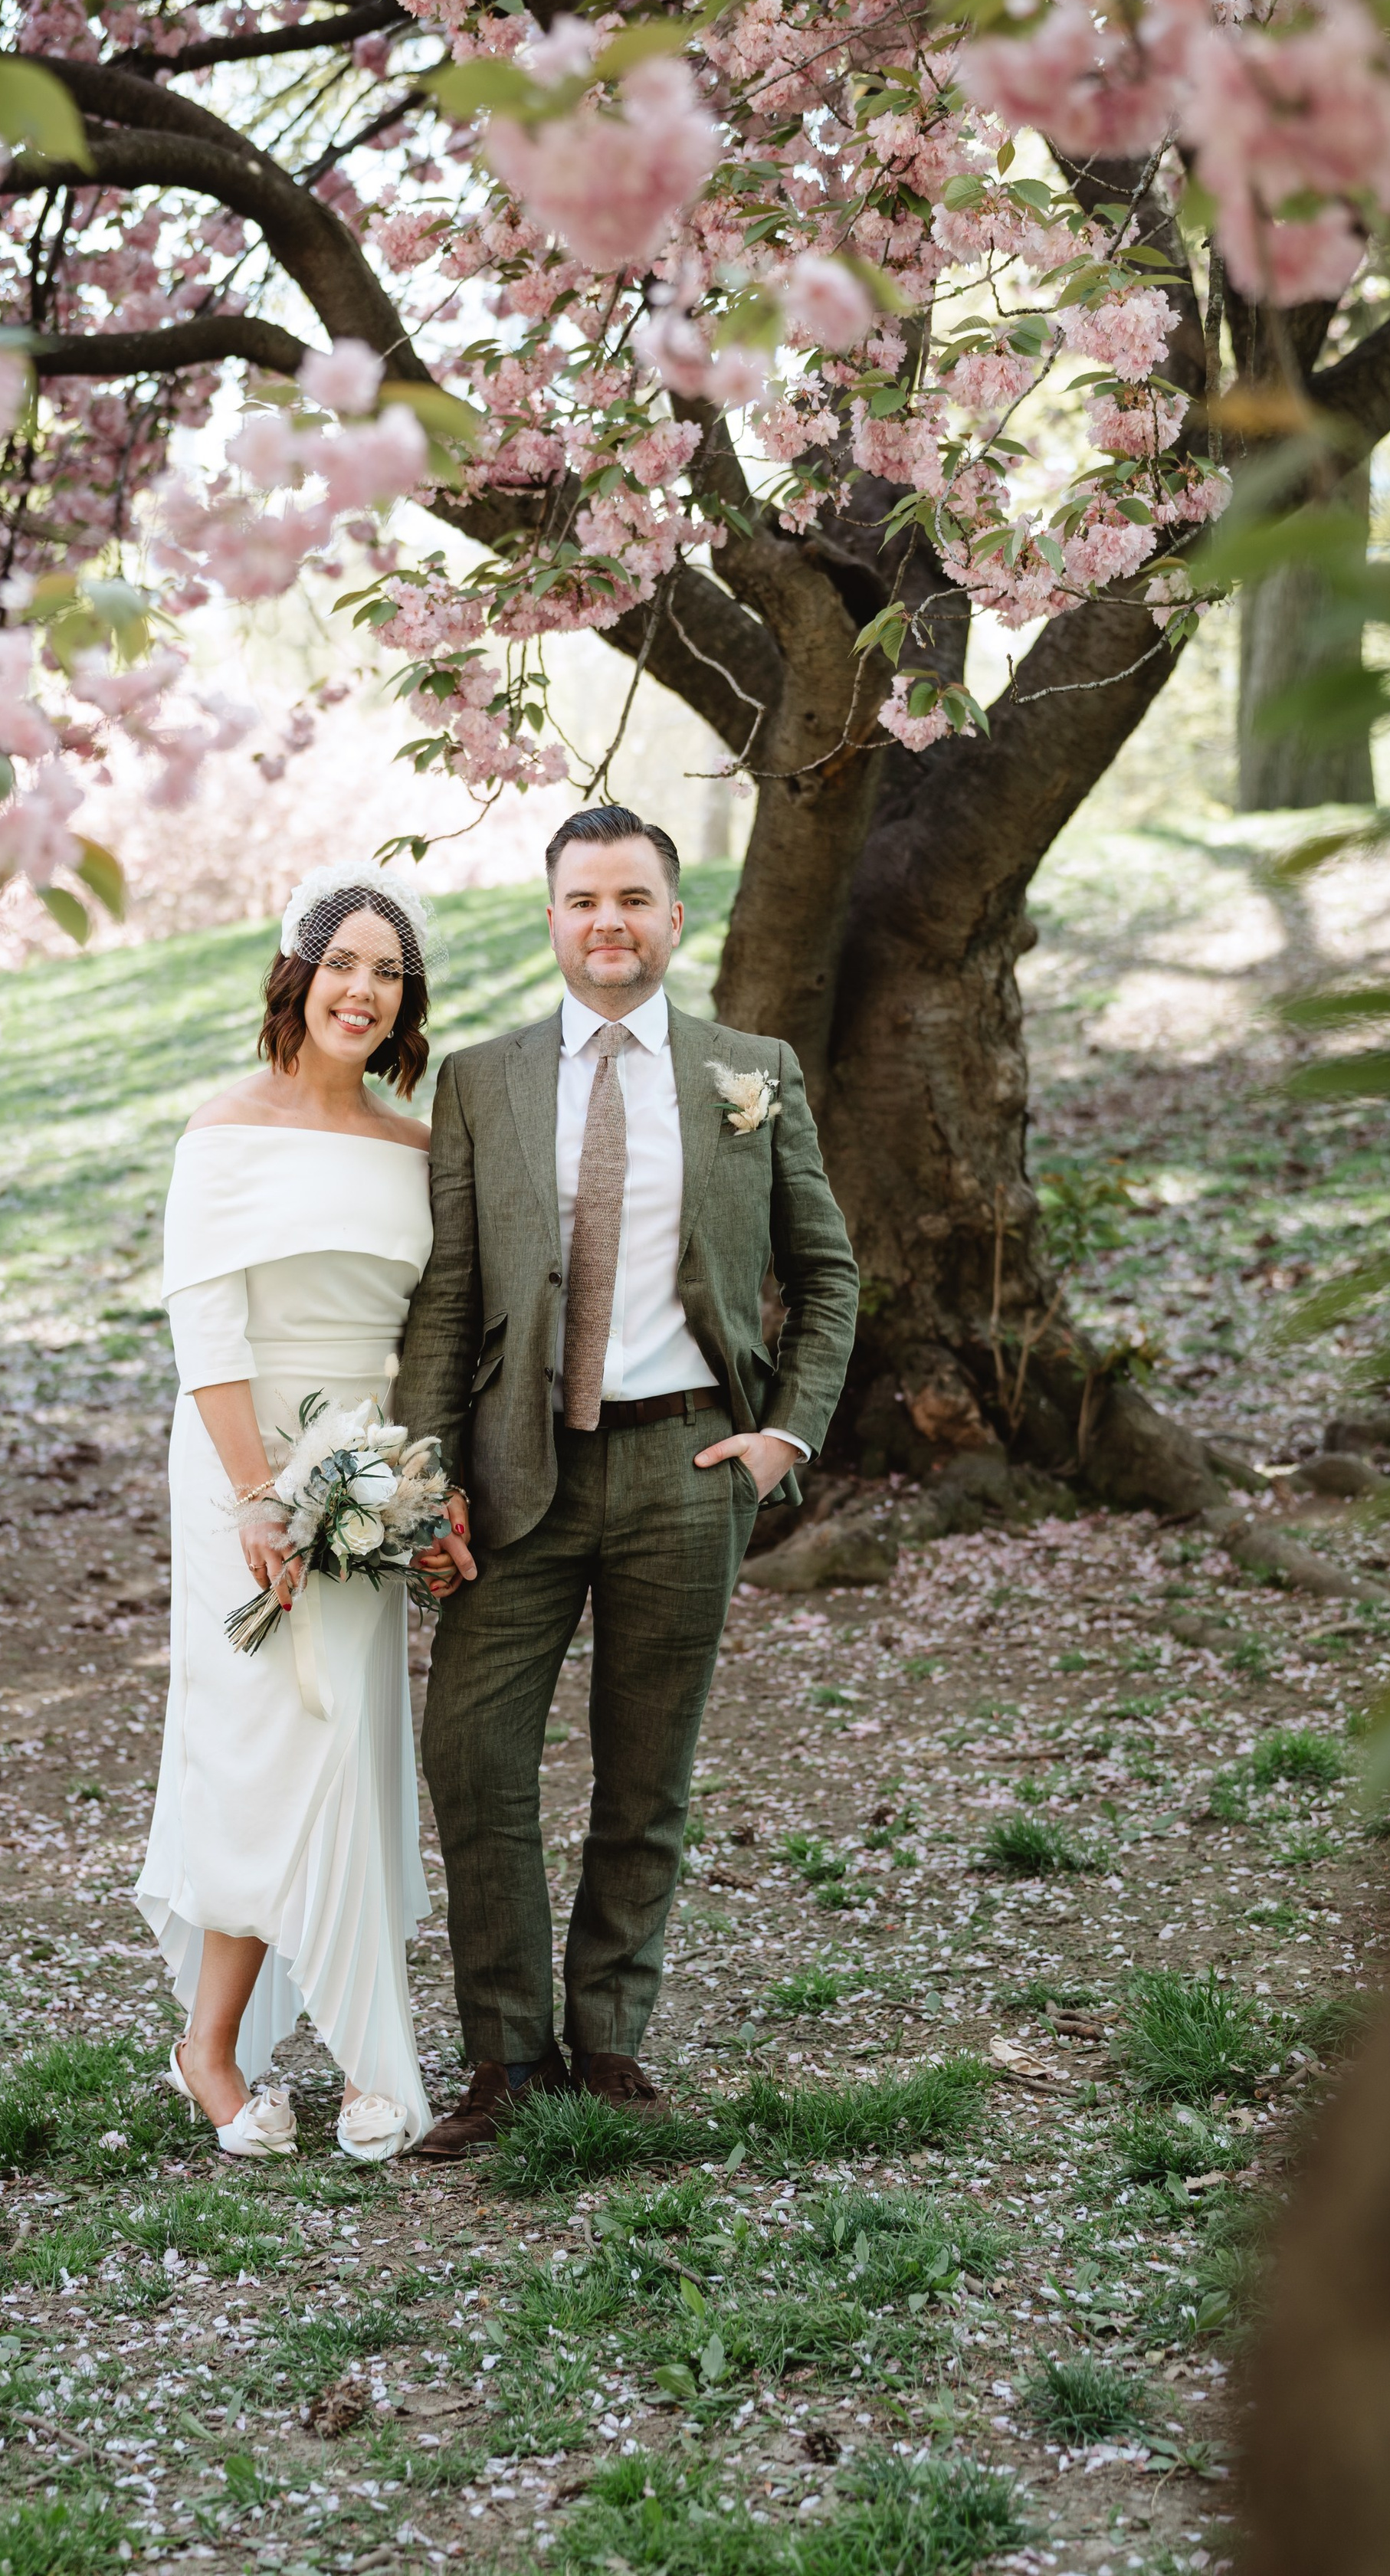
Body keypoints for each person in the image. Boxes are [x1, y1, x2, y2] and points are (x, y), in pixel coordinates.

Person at [394, 806, 859, 2158]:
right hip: (515, 1470)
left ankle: (606, 2044)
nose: (611, 922)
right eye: (585, 899)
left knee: (645, 1771)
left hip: (686, 1464)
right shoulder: (481, 1081)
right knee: (470, 1753)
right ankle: (505, 2062)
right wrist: (430, 1481)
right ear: (551, 918)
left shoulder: (747, 1070)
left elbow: (826, 1278)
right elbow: (448, 1301)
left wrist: (787, 1436)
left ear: (673, 918)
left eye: (637, 899)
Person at [133, 865, 439, 2162]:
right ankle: (208, 2050)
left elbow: (434, 1330)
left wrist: (420, 1491)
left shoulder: (419, 1149)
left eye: (388, 972)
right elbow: (206, 1327)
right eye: (344, 963)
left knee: (351, 1753)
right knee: (259, 1750)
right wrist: (259, 1496)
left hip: (370, 1478)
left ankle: (371, 2050)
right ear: (295, 974)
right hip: (240, 1470)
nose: (362, 990)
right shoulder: (224, 1132)